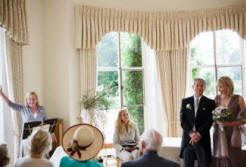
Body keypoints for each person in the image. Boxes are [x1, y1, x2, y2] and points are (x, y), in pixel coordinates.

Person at [0, 87, 56, 156]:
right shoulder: (23, 108)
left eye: (33, 99)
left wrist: (52, 134)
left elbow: (46, 124)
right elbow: (10, 104)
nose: (31, 101)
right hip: (27, 140)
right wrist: (1, 93)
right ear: (26, 100)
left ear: (36, 100)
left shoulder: (42, 109)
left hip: (39, 139)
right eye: (29, 99)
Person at [180, 78, 215, 167]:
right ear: (193, 87)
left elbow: (209, 121)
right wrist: (191, 133)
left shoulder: (210, 103)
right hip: (188, 140)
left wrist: (198, 134)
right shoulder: (185, 101)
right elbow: (182, 121)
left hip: (202, 139)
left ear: (205, 88)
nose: (199, 88)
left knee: (204, 164)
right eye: (197, 85)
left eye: (202, 86)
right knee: (187, 164)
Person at [212, 76, 246, 167]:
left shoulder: (239, 98)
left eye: (221, 87)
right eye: (218, 87)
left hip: (233, 134)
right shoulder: (216, 98)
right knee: (220, 160)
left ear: (229, 86)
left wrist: (229, 123)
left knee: (234, 159)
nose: (219, 89)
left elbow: (244, 119)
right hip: (218, 134)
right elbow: (212, 116)